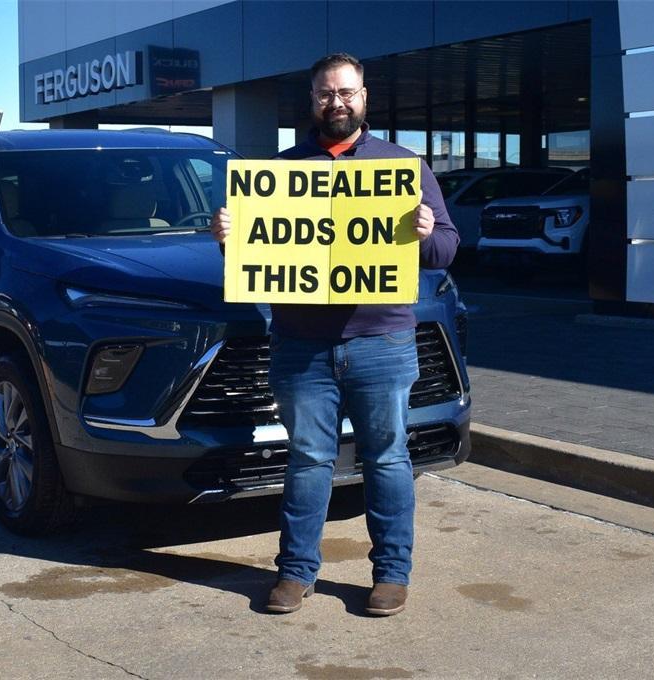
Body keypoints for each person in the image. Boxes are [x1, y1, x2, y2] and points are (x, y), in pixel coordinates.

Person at [211, 53, 459, 616]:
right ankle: (296, 573)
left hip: (383, 342)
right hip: (302, 345)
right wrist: (228, 236)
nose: (336, 102)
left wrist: (423, 232)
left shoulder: (402, 167)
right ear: (313, 101)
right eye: (326, 94)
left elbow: (447, 247)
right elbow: (254, 257)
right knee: (306, 459)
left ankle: (392, 574)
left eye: (346, 93)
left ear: (364, 98)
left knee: (388, 459)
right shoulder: (280, 172)